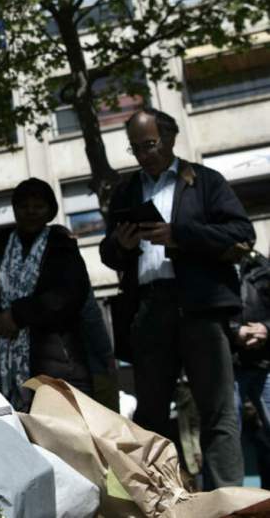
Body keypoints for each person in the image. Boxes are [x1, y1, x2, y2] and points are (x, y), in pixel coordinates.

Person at [100, 107, 254, 489]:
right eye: (134, 148)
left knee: (217, 411)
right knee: (151, 415)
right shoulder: (126, 190)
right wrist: (120, 245)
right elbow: (107, 253)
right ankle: (164, 498)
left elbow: (241, 233)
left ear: (169, 138)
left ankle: (228, 501)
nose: (142, 154)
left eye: (149, 144)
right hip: (149, 308)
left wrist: (180, 235)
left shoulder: (204, 180)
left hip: (200, 306)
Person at [0, 178, 93, 410]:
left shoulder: (62, 247)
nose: (31, 212)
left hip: (54, 362)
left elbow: (70, 293)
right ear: (15, 209)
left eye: (38, 206)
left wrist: (19, 315)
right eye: (24, 206)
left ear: (50, 211)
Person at [231, 249, 270, 488]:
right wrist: (234, 331)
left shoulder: (262, 265)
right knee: (228, 437)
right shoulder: (205, 265)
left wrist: (266, 328)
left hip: (264, 361)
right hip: (230, 363)